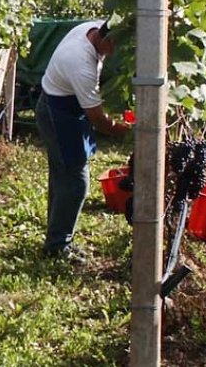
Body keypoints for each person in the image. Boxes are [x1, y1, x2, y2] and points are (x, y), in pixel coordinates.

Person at [35, 20, 133, 262]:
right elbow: (99, 120)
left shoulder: (94, 29)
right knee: (76, 182)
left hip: (64, 105)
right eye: (116, 46)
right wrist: (131, 131)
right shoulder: (80, 62)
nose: (116, 52)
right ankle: (58, 246)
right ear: (106, 39)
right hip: (59, 114)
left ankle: (57, 239)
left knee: (62, 177)